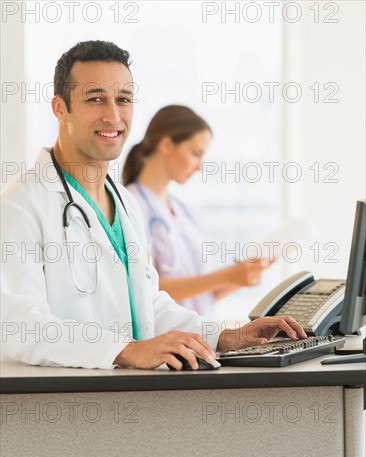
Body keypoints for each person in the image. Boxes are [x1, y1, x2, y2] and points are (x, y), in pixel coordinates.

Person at [0, 40, 306, 371]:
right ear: (59, 108)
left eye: (123, 100)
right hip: (62, 408)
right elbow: (19, 326)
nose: (113, 115)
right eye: (95, 99)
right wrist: (126, 350)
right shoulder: (20, 205)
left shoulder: (125, 202)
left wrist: (224, 336)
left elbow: (149, 305)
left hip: (133, 399)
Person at [123, 105, 269, 316]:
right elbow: (146, 290)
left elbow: (202, 294)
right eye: (195, 153)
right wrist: (226, 275)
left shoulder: (187, 212)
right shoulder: (131, 204)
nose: (200, 166)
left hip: (202, 339)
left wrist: (241, 275)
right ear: (166, 145)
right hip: (165, 340)